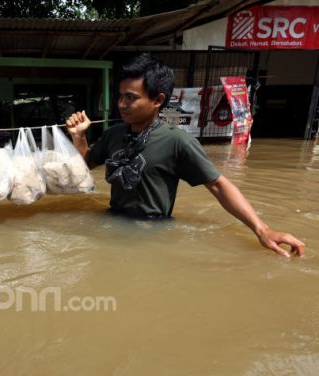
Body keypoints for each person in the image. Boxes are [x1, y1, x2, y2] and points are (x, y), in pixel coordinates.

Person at [65, 53, 305, 258]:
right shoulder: (113, 134)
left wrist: (262, 230)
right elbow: (84, 168)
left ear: (158, 100)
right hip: (112, 225)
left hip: (152, 237)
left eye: (131, 97)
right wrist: (79, 137)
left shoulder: (177, 141)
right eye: (120, 96)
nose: (121, 104)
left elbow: (219, 185)